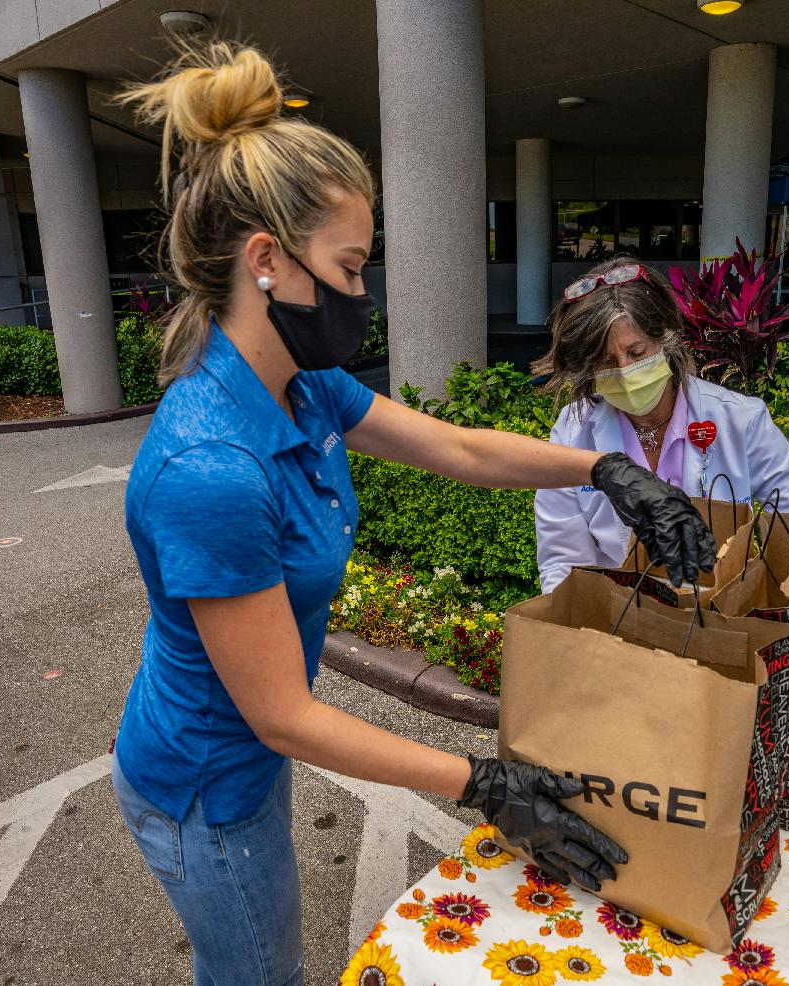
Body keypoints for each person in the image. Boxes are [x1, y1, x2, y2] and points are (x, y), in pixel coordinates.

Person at [110, 43, 716, 986]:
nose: (362, 292)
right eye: (350, 266)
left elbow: (461, 448)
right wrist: (482, 783)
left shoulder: (301, 389)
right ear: (266, 261)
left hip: (242, 760)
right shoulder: (212, 470)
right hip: (201, 783)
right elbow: (285, 718)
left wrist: (606, 468)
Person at [532, 256, 789, 772]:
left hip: (734, 658)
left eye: (636, 352)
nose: (625, 374)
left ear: (668, 336)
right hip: (627, 658)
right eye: (605, 365)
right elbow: (564, 567)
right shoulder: (573, 433)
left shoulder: (739, 423)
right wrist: (578, 663)